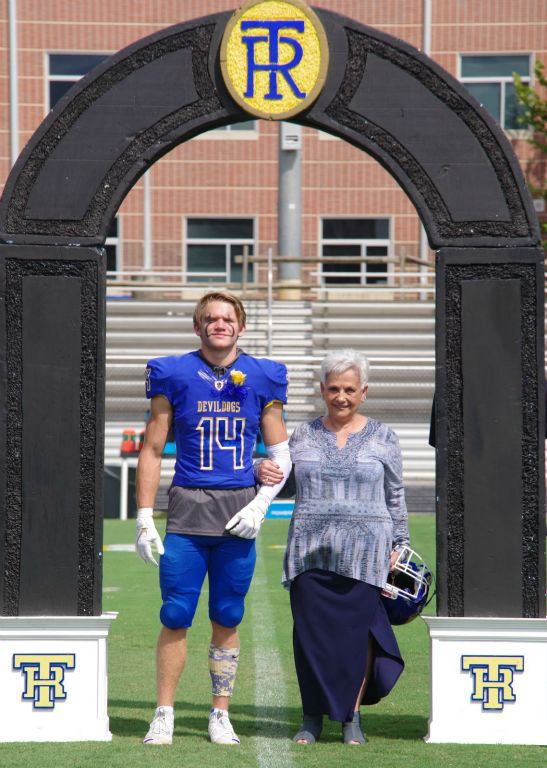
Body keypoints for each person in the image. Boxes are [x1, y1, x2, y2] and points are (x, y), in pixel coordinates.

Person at [135, 291, 291, 746]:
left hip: (237, 511)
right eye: (210, 319)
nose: (219, 325)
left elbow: (281, 454)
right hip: (187, 509)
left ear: (241, 326)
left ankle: (220, 713)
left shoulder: (263, 375)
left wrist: (260, 503)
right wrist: (143, 516)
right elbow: (152, 448)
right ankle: (164, 713)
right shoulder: (174, 372)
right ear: (197, 326)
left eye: (227, 318)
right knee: (175, 613)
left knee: (227, 615)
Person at [258, 349, 409, 745]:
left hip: (366, 556)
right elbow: (285, 487)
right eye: (334, 389)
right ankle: (311, 718)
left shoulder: (384, 437)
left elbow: (395, 495)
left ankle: (351, 718)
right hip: (310, 554)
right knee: (310, 641)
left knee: (357, 641)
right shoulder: (302, 435)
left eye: (349, 389)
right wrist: (263, 469)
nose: (341, 397)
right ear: (322, 389)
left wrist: (400, 544)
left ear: (364, 392)